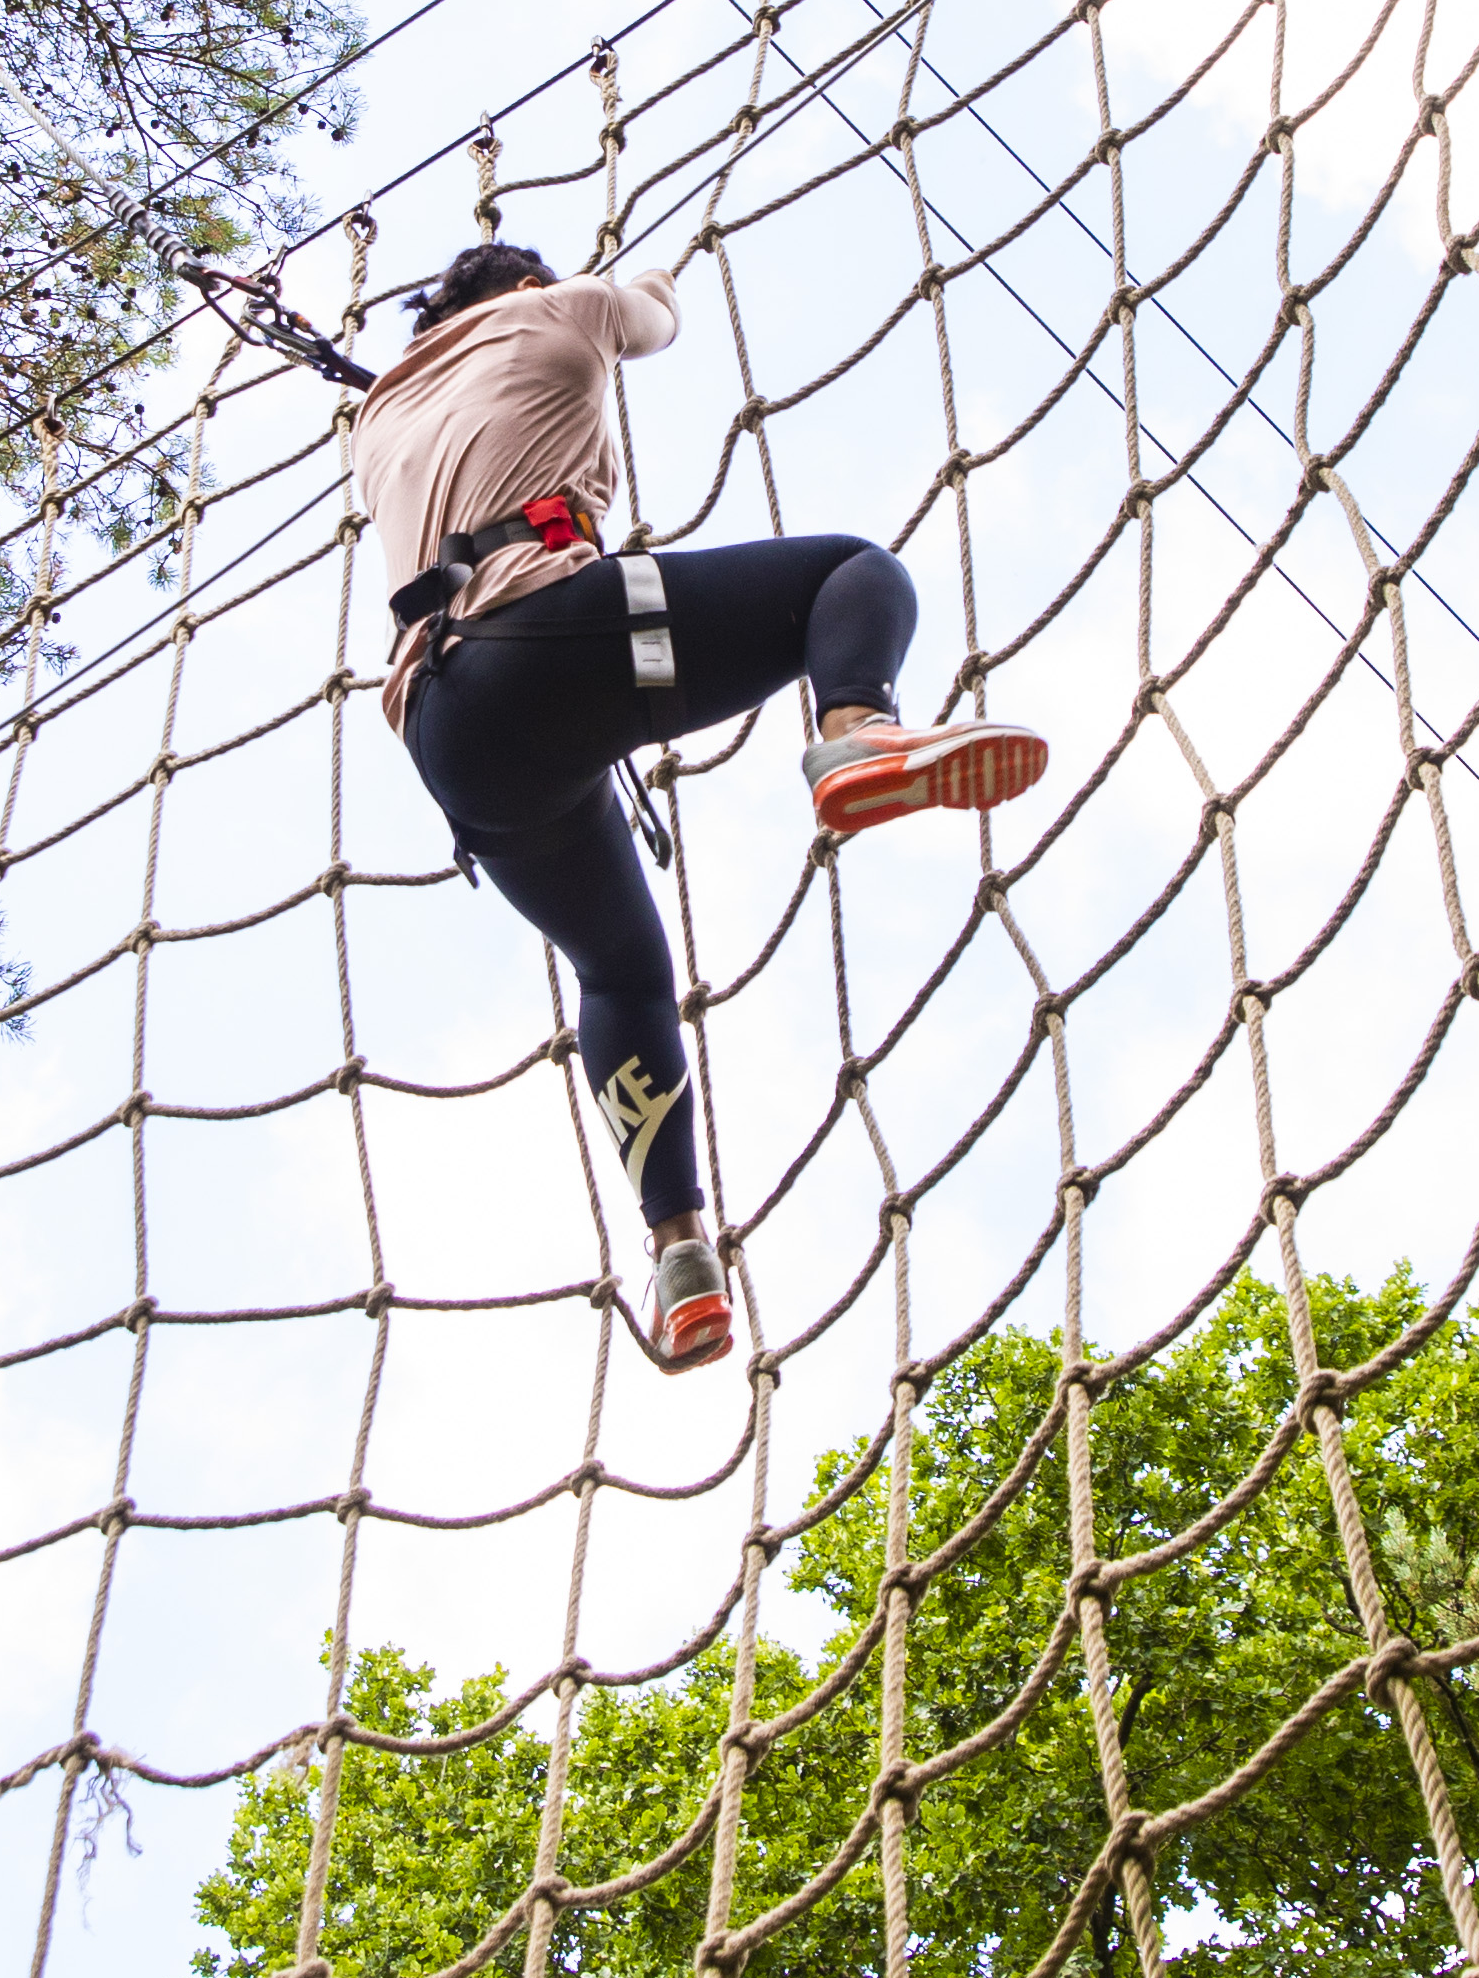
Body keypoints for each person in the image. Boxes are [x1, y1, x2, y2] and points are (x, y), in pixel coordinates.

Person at [339, 236, 1044, 1366]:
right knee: (850, 573)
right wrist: (641, 279)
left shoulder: (378, 416)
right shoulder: (557, 311)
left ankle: (678, 1253)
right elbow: (651, 318)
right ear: (526, 288)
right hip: (566, 644)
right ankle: (854, 732)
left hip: (455, 739)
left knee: (620, 970)